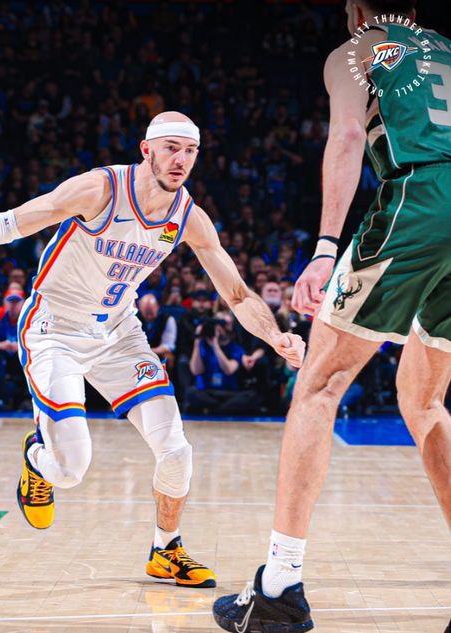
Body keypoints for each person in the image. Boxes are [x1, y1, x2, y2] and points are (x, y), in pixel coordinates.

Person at [0, 111, 304, 588]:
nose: (181, 160)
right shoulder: (100, 189)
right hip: (54, 329)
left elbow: (236, 293)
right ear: (146, 150)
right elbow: (10, 224)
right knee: (71, 470)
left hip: (119, 333)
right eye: (171, 148)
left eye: (190, 151)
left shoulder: (188, 217)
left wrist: (275, 336)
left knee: (176, 451)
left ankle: (166, 550)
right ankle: (37, 461)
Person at [213, 2, 451, 630]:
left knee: (319, 383)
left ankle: (278, 585)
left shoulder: (358, 48)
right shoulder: (448, 48)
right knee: (424, 401)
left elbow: (346, 136)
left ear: (355, 9)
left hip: (421, 200)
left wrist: (324, 249)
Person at [184, 311, 259, 415]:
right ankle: (220, 409)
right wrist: (197, 341)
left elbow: (229, 370)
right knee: (190, 393)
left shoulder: (235, 348)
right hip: (207, 392)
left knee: (251, 396)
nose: (222, 328)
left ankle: (213, 410)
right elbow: (196, 371)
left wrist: (215, 346)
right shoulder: (203, 346)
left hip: (228, 393)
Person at [137, 293, 177, 371]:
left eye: (151, 312)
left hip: (159, 352)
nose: (149, 316)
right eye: (146, 313)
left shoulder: (167, 319)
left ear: (157, 307)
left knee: (168, 357)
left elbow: (168, 345)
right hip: (138, 352)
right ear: (140, 309)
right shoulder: (134, 320)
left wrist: (149, 352)